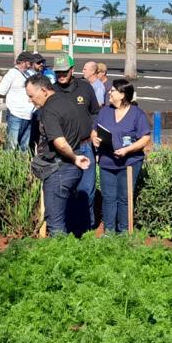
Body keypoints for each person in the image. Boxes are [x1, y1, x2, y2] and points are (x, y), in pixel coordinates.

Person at [25, 73, 91, 236]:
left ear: (44, 91)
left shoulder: (49, 110)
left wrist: (74, 159)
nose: (30, 100)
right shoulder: (67, 102)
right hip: (70, 169)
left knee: (55, 224)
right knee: (66, 219)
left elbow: (60, 143)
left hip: (59, 170)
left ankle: (60, 257)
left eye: (32, 96)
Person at [91, 79, 151, 233]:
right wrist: (95, 138)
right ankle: (109, 230)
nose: (109, 93)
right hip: (107, 161)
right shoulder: (105, 111)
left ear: (123, 94)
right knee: (109, 197)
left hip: (129, 163)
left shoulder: (137, 114)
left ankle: (124, 231)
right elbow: (95, 130)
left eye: (113, 91)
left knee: (124, 198)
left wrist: (128, 150)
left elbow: (145, 138)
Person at [52, 53, 101, 232]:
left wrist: (95, 130)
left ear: (72, 70)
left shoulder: (85, 88)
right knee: (65, 190)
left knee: (87, 189)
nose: (61, 75)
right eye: (58, 72)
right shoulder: (52, 91)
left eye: (65, 71)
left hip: (85, 146)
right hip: (63, 150)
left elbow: (96, 112)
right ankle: (68, 229)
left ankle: (86, 228)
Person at [0, 52, 35, 151]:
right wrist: (14, 98)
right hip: (15, 114)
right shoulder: (12, 73)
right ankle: (8, 166)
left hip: (29, 115)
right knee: (11, 146)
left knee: (24, 147)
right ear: (23, 62)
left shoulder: (30, 73)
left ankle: (21, 166)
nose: (31, 65)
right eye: (29, 63)